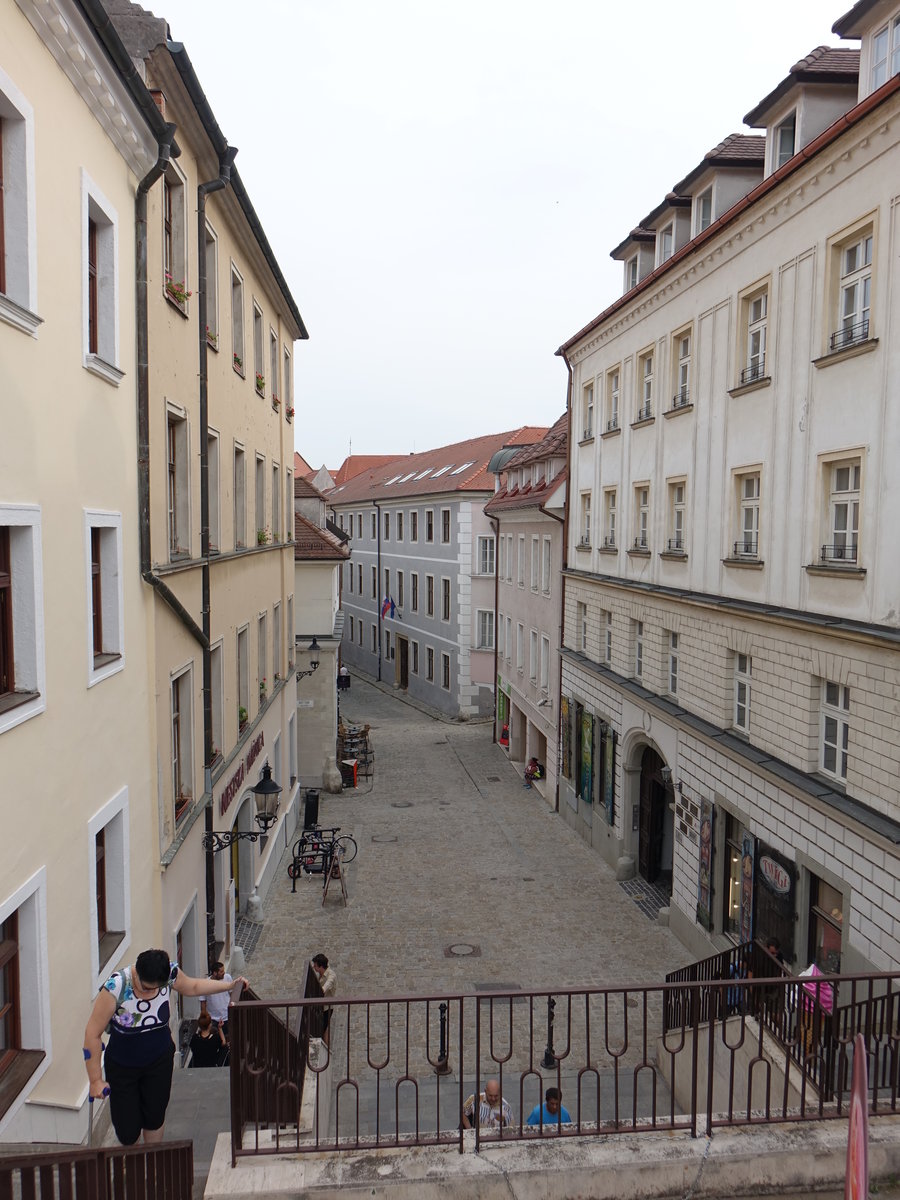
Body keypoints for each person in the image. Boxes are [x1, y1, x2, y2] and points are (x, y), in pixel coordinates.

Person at [83, 948, 247, 1145]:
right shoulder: (116, 987)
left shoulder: (169, 974)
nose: (151, 993)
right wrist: (95, 1081)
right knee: (127, 1131)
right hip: (123, 1066)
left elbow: (193, 987)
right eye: (146, 988)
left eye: (156, 989)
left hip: (158, 1061)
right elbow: (92, 1034)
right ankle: (133, 1157)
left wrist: (229, 985)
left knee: (155, 1118)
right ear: (137, 974)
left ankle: (153, 1165)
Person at [200, 961, 233, 1042]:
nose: (224, 973)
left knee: (228, 1039)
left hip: (227, 1016)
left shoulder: (227, 977)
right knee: (214, 1040)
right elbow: (202, 1002)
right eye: (221, 971)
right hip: (213, 1019)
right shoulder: (205, 984)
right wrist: (205, 1018)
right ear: (215, 973)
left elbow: (232, 993)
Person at [311, 953, 336, 1047]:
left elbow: (325, 988)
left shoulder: (331, 976)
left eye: (315, 966)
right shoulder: (322, 973)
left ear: (321, 966)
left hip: (326, 1008)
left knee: (321, 1030)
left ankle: (325, 1051)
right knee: (325, 1029)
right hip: (321, 1006)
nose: (314, 967)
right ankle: (327, 1050)